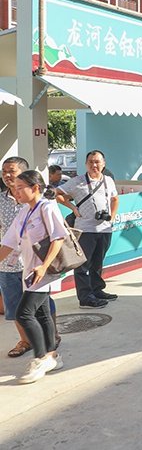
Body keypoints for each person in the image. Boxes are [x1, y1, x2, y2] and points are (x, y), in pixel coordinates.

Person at [0, 170, 65, 384]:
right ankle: (53, 356)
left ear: (35, 188)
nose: (16, 192)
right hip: (30, 271)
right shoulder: (25, 212)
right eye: (15, 189)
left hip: (42, 272)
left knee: (24, 314)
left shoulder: (47, 207)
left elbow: (58, 238)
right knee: (44, 314)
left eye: (20, 188)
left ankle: (40, 359)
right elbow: (8, 243)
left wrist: (44, 267)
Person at [56, 150, 118, 309]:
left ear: (103, 164)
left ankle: (97, 290)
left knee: (97, 262)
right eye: (90, 161)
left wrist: (112, 217)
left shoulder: (109, 180)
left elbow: (114, 198)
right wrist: (72, 208)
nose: (94, 165)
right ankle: (85, 298)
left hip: (104, 229)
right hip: (85, 230)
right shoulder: (77, 181)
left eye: (97, 161)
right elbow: (57, 193)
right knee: (82, 265)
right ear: (86, 164)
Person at [1, 157, 33, 357]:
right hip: (7, 263)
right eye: (4, 171)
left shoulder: (35, 201)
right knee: (13, 305)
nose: (6, 175)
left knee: (42, 303)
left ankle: (52, 334)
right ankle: (25, 341)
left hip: (33, 262)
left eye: (11, 171)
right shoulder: (0, 200)